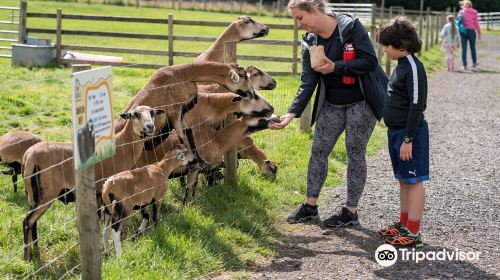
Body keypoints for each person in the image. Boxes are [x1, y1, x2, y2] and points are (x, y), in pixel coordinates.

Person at [271, 0, 387, 228]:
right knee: (318, 151)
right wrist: (291, 113)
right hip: (331, 103)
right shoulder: (309, 41)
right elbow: (308, 81)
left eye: (300, 18)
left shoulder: (351, 27)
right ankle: (310, 207)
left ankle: (350, 211)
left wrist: (336, 67)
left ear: (314, 11)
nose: (298, 24)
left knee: (354, 152)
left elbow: (369, 62)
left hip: (361, 102)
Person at [376, 17, 428, 248]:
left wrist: (409, 139)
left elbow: (418, 105)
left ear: (402, 44)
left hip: (410, 135)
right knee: (404, 180)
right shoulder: (401, 66)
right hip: (396, 132)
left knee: (414, 180)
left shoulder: (414, 68)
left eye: (388, 45)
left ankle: (413, 233)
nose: (385, 50)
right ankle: (404, 225)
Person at [458, 0, 481, 70]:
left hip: (463, 31)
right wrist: (479, 32)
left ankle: (464, 65)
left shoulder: (461, 12)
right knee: (473, 48)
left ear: (464, 5)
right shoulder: (474, 12)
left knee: (464, 49)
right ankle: (474, 63)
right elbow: (476, 23)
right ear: (471, 5)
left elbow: (458, 22)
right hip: (471, 31)